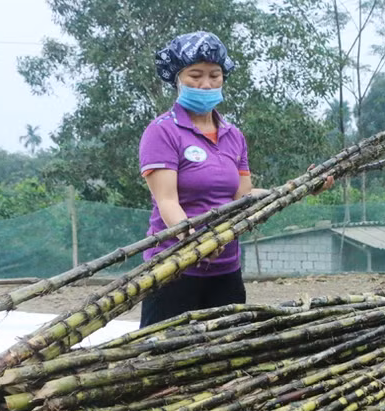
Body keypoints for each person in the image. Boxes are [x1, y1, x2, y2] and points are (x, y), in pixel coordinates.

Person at [138, 31, 332, 328]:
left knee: (227, 352)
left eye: (214, 75)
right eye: (195, 75)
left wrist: (302, 187)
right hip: (173, 268)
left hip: (225, 269)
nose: (206, 84)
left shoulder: (233, 135)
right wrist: (196, 242)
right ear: (177, 78)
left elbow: (243, 197)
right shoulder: (162, 131)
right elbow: (167, 201)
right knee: (167, 360)